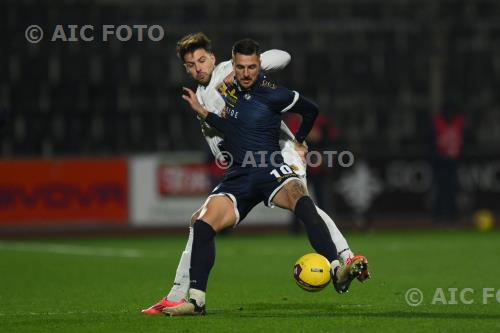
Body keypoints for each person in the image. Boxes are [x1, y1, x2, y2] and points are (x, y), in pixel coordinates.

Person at [141, 33, 368, 315]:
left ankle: (343, 260)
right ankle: (179, 294)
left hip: (280, 151)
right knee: (198, 221)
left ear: (213, 58)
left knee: (302, 201)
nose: (198, 67)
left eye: (201, 60)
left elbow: (282, 57)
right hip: (242, 166)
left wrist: (248, 68)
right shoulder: (200, 94)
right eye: (190, 64)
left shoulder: (229, 70)